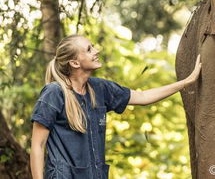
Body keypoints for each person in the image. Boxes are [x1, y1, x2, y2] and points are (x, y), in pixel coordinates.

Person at [30, 34, 201, 179]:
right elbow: (38, 145)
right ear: (75, 63)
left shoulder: (100, 88)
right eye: (89, 50)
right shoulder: (54, 93)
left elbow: (142, 96)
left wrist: (186, 82)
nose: (96, 51)